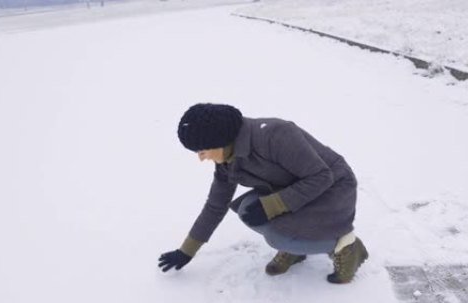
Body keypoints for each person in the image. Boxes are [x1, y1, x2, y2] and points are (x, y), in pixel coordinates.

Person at [158, 103, 368, 284]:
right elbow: (215, 205)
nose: (201, 158)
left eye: (202, 151)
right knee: (248, 210)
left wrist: (272, 205)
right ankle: (297, 251)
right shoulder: (227, 161)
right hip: (296, 189)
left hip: (333, 190)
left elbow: (322, 176)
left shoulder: (275, 135)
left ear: (220, 141)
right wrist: (186, 251)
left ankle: (347, 246)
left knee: (279, 236)